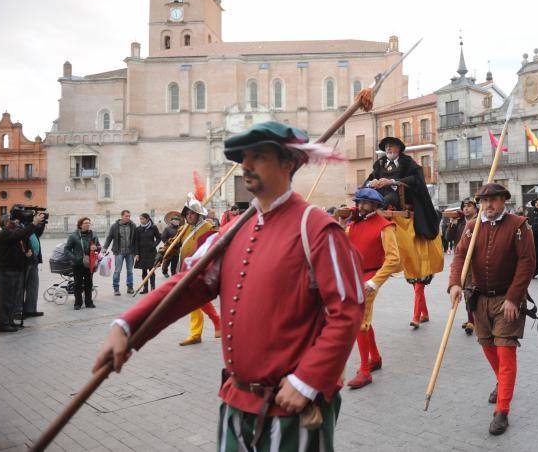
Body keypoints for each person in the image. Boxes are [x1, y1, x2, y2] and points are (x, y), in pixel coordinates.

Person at [94, 120, 364, 450]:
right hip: (236, 403)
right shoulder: (232, 231)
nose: (246, 165)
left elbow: (348, 311)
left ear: (288, 163)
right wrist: (128, 326)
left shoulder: (319, 230)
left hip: (294, 408)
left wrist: (309, 380)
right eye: (244, 157)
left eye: (259, 156)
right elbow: (188, 286)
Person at [448, 183, 536, 436]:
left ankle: (502, 410)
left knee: (505, 350)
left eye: (493, 201)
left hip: (507, 300)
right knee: (487, 345)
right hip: (479, 299)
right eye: (484, 201)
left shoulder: (519, 225)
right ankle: (503, 382)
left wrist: (513, 298)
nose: (488, 206)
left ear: (503, 201)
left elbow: (527, 263)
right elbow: (460, 257)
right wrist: (454, 284)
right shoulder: (471, 227)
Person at [344, 188, 402, 389]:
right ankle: (375, 358)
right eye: (358, 202)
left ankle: (365, 371)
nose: (360, 206)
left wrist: (374, 282)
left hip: (371, 276)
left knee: (360, 320)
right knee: (364, 319)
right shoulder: (353, 225)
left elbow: (394, 259)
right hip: (355, 275)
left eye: (364, 203)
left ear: (375, 205)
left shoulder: (385, 227)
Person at [177, 194, 222, 346]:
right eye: (187, 213)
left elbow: (216, 244)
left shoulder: (209, 227)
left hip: (201, 269)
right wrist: (162, 253)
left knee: (195, 300)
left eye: (192, 213)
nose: (189, 216)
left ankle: (208, 325)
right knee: (194, 301)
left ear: (198, 215)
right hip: (186, 268)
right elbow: (173, 243)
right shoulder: (184, 229)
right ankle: (206, 327)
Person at [0, 212, 45, 332]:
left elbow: (25, 235)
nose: (16, 222)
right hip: (6, 272)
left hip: (14, 271)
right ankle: (3, 324)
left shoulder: (12, 234)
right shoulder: (4, 234)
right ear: (6, 223)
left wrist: (25, 253)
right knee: (6, 300)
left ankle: (10, 321)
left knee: (12, 299)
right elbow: (21, 234)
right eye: (12, 220)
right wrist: (33, 223)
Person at [453, 198, 479, 334]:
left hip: (475, 261)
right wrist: (452, 225)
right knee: (465, 290)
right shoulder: (461, 222)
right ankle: (472, 318)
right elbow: (449, 238)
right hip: (462, 260)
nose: (466, 209)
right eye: (464, 207)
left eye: (469, 206)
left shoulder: (480, 222)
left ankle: (473, 321)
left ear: (475, 208)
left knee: (471, 291)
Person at [64, 217, 100, 310]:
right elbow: (67, 249)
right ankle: (78, 303)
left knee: (89, 283)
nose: (88, 224)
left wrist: (96, 247)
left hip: (89, 263)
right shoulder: (74, 236)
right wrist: (74, 258)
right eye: (85, 223)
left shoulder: (93, 235)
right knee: (78, 284)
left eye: (89, 223)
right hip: (78, 264)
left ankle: (89, 302)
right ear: (80, 225)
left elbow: (99, 246)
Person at [103, 209, 138, 295]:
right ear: (122, 216)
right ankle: (116, 288)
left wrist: (136, 251)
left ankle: (130, 287)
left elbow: (136, 239)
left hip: (130, 252)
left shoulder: (133, 225)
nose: (128, 218)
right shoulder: (115, 226)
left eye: (129, 216)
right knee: (117, 270)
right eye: (126, 216)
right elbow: (109, 237)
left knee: (130, 271)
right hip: (119, 252)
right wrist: (105, 248)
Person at [134, 213, 161, 293]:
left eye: (142, 219)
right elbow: (136, 242)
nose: (141, 220)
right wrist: (137, 253)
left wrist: (154, 245)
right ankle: (145, 288)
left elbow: (159, 238)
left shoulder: (153, 227)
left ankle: (153, 288)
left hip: (151, 252)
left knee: (151, 270)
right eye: (140, 219)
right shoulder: (138, 229)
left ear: (147, 219)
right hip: (142, 253)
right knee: (144, 271)